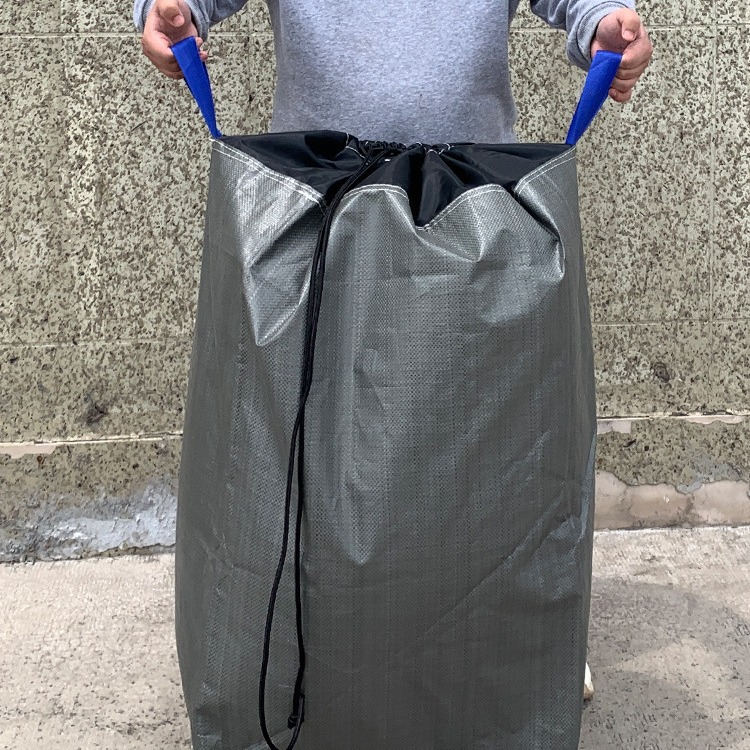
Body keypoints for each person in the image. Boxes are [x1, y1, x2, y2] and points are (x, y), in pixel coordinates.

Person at [135, 0, 652, 145]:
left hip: (474, 205)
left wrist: (603, 20)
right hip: (316, 202)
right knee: (322, 370)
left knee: (466, 372)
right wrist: (169, 10)